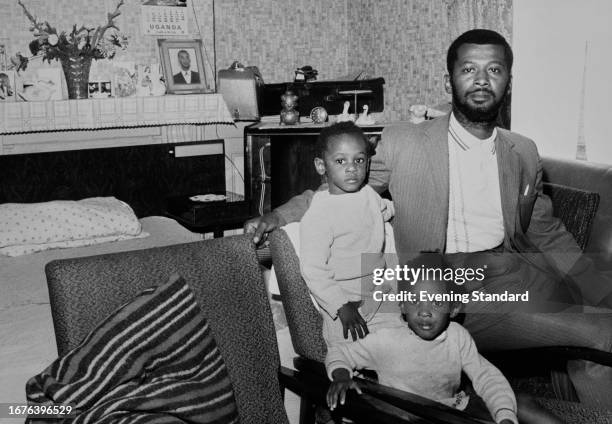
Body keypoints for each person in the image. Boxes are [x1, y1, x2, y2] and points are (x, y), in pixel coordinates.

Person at [245, 28, 612, 408]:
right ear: (449, 79)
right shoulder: (405, 142)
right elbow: (340, 191)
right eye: (469, 69)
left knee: (603, 320)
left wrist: (600, 286)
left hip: (510, 276)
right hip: (438, 286)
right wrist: (276, 216)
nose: (482, 80)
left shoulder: (523, 151)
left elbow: (545, 230)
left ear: (508, 81)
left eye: (495, 70)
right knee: (601, 334)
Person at [326, 253, 564, 424]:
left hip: (453, 406)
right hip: (408, 414)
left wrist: (505, 416)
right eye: (415, 301)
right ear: (402, 306)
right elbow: (339, 352)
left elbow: (486, 376)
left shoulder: (457, 336)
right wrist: (341, 375)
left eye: (437, 303)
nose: (425, 311)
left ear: (454, 309)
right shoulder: (387, 340)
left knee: (521, 402)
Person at [299, 122, 403, 370]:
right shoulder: (320, 213)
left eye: (359, 160)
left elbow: (383, 210)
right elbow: (313, 269)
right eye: (341, 161)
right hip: (346, 304)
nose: (352, 169)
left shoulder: (368, 194)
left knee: (402, 351)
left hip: (379, 297)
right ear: (321, 166)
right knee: (346, 358)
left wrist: (399, 209)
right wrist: (340, 306)